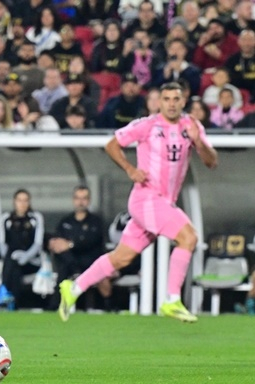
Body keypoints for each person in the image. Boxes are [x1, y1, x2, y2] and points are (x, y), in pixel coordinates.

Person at [58, 82, 218, 323]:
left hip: (163, 202)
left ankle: (74, 287)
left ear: (183, 101)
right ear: (159, 102)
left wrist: (199, 142)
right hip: (147, 199)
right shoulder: (147, 125)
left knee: (122, 257)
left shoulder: (191, 126)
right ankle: (172, 299)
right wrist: (130, 169)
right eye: (166, 99)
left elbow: (211, 162)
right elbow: (112, 145)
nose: (171, 104)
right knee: (189, 237)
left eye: (176, 99)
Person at [48, 185, 111, 311]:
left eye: (84, 198)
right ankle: (56, 305)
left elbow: (91, 241)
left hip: (90, 261)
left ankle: (109, 308)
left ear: (89, 200)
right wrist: (55, 244)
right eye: (77, 198)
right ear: (73, 200)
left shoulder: (96, 221)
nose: (81, 202)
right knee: (65, 262)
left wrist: (71, 244)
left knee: (97, 270)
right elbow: (58, 241)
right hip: (69, 262)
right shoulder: (66, 221)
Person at [0, 189, 44, 309]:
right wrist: (10, 258)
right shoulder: (6, 218)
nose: (22, 204)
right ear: (14, 202)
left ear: (29, 202)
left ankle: (4, 292)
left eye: (25, 200)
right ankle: (13, 301)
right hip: (11, 261)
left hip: (31, 261)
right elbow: (1, 242)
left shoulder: (35, 218)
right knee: (15, 268)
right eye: (19, 200)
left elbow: (38, 243)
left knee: (14, 266)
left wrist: (26, 256)